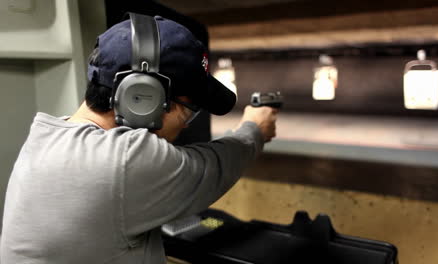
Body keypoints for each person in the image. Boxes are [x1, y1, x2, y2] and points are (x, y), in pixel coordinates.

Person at [0, 14, 278, 264]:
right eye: (189, 113)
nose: (184, 127)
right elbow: (219, 165)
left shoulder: (46, 137)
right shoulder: (124, 159)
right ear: (144, 100)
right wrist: (254, 128)